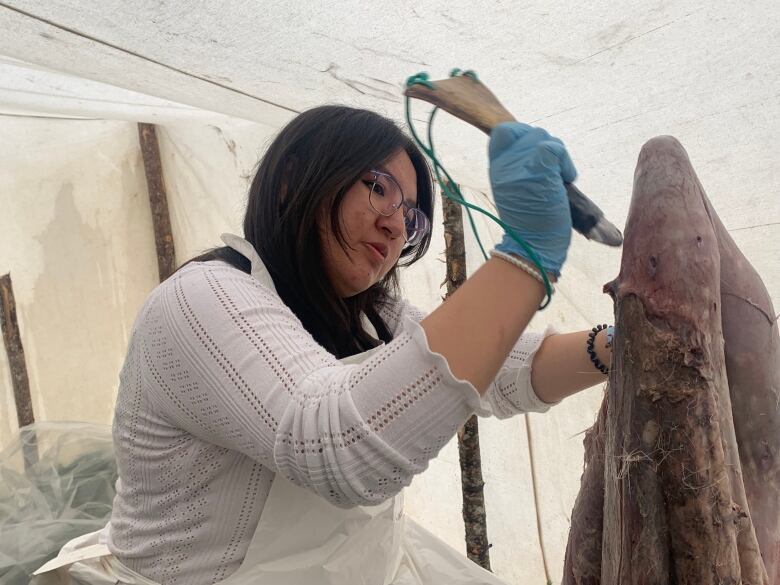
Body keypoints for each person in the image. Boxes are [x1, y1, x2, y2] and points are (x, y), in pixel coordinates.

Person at [34, 106, 613, 585]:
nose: (394, 224)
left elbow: (499, 367)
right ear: (293, 178)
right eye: (378, 188)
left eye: (409, 215)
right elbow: (333, 447)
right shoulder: (199, 301)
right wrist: (524, 256)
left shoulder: (368, 315)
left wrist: (619, 344)